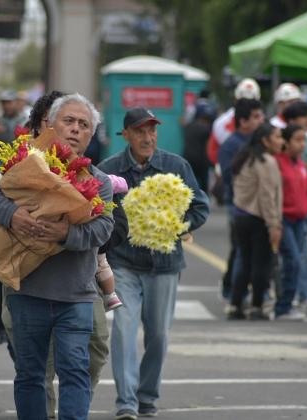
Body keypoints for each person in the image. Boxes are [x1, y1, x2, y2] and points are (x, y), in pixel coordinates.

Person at [0, 93, 114, 420]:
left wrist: (65, 234)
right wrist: (12, 215)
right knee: (30, 376)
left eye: (84, 125)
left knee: (75, 373)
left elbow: (103, 230)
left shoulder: (100, 182)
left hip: (76, 296)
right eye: (69, 121)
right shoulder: (24, 165)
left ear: (91, 136)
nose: (76, 129)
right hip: (28, 292)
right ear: (49, 125)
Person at [98, 107, 209, 419]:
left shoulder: (176, 166)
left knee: (158, 334)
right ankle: (126, 402)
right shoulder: (109, 169)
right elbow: (96, 212)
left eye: (151, 131)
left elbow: (200, 206)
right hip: (123, 264)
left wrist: (178, 226)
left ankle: (147, 396)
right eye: (140, 131)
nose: (147, 137)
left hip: (165, 264)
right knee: (122, 329)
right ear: (127, 135)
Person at [227, 122, 284, 321]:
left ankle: (236, 304)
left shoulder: (245, 157)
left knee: (244, 261)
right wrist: (274, 224)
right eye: (277, 137)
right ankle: (257, 306)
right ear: (265, 140)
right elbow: (268, 196)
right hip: (258, 218)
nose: (281, 141)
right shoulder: (266, 161)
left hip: (240, 216)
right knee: (261, 264)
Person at [217, 98, 265, 301]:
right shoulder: (231, 145)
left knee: (249, 250)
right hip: (237, 203)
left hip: (259, 203)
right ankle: (235, 292)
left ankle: (237, 288)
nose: (261, 120)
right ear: (243, 121)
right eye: (256, 117)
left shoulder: (259, 141)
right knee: (240, 249)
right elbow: (229, 176)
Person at [275, 124, 307, 321]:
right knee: (293, 260)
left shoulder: (301, 165)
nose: (302, 145)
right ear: (286, 141)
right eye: (297, 140)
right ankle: (283, 306)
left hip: (300, 220)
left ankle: (286, 303)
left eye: (304, 140)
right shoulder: (277, 163)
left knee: (295, 261)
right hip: (284, 218)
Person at [183, 102, 217, 192]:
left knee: (189, 186)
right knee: (204, 186)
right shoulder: (208, 129)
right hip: (202, 161)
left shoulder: (189, 126)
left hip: (188, 159)